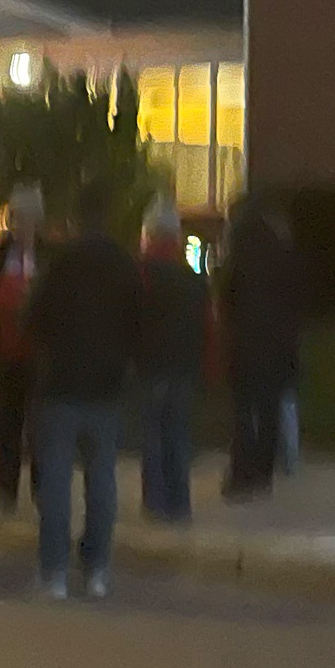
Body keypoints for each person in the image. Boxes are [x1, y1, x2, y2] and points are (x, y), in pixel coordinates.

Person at [25, 181, 141, 600]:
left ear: (75, 218)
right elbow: (138, 322)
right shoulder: (123, 264)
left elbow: (35, 315)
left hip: (61, 384)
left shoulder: (62, 262)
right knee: (101, 481)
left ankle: (54, 571)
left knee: (56, 484)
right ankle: (97, 569)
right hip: (105, 386)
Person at [219, 193, 305, 500]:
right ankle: (263, 473)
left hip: (245, 344)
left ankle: (242, 473)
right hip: (276, 345)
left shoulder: (239, 251)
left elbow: (227, 295)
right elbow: (296, 298)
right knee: (269, 410)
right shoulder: (282, 250)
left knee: (243, 411)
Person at [134, 196, 212, 524]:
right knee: (178, 433)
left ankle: (156, 502)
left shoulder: (140, 276)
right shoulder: (192, 280)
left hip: (150, 365)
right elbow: (206, 324)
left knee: (151, 434)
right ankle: (179, 503)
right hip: (182, 366)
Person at [0, 183, 47, 514]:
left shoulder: (47, 256)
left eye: (28, 219)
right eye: (17, 219)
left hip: (40, 356)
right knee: (6, 427)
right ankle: (6, 491)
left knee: (41, 430)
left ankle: (42, 491)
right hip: (2, 354)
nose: (21, 226)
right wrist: (21, 300)